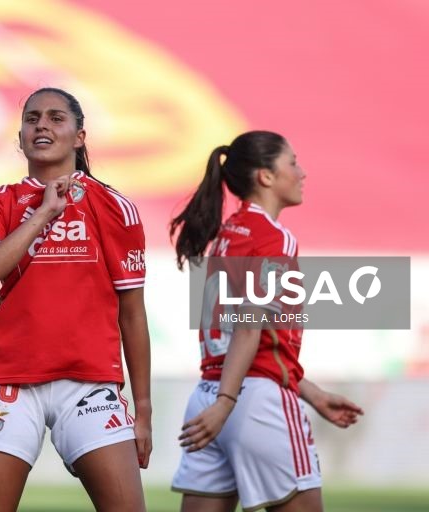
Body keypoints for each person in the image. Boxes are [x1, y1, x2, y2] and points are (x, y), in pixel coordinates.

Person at [0, 87, 152, 511]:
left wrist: (143, 411)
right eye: (32, 119)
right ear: (21, 137)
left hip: (89, 384)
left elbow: (133, 315)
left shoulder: (113, 206)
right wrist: (46, 211)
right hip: (11, 380)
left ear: (79, 137)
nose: (41, 125)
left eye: (55, 118)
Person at [169, 131, 364, 512]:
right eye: (293, 162)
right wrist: (228, 403)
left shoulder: (228, 234)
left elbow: (251, 338)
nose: (302, 172)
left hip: (207, 396)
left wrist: (312, 393)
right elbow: (249, 327)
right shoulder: (274, 238)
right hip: (252, 403)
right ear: (266, 176)